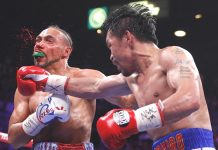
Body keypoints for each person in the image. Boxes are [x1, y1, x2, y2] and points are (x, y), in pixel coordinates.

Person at [16, 4, 215, 150]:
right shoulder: (132, 79)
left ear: (127, 38)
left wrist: (135, 119)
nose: (111, 56)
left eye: (111, 46)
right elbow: (96, 87)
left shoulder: (174, 55)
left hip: (195, 144)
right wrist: (46, 82)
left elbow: (190, 99)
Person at [9, 25, 137, 150]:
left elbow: (128, 101)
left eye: (49, 40)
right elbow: (14, 140)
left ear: (66, 52)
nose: (39, 44)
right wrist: (38, 118)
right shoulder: (27, 87)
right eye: (38, 40)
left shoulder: (88, 76)